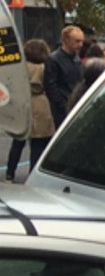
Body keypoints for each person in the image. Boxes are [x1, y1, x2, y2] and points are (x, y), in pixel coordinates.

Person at [5, 40, 54, 184]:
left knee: (18, 141)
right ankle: (32, 174)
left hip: (23, 102)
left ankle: (10, 173)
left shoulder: (20, 68)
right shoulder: (44, 68)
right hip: (40, 103)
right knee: (38, 142)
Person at [44, 25, 85, 128]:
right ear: (66, 40)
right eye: (77, 41)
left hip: (75, 104)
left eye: (82, 41)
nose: (80, 45)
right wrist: (63, 104)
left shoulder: (77, 59)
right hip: (62, 109)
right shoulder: (53, 59)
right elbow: (51, 86)